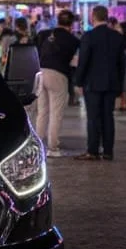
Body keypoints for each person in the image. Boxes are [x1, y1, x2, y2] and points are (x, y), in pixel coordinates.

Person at [73, 5, 126, 162]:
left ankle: (93, 150)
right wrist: (120, 85)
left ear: (93, 17)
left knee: (93, 117)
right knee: (108, 117)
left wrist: (78, 81)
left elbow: (83, 61)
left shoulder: (89, 36)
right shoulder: (117, 36)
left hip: (93, 83)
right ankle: (108, 151)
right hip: (111, 83)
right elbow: (121, 64)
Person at [33, 10, 80, 157]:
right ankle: (53, 148)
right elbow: (74, 61)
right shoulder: (73, 40)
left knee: (42, 111)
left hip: (41, 71)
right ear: (71, 24)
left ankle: (38, 144)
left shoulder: (44, 34)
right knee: (56, 112)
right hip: (58, 74)